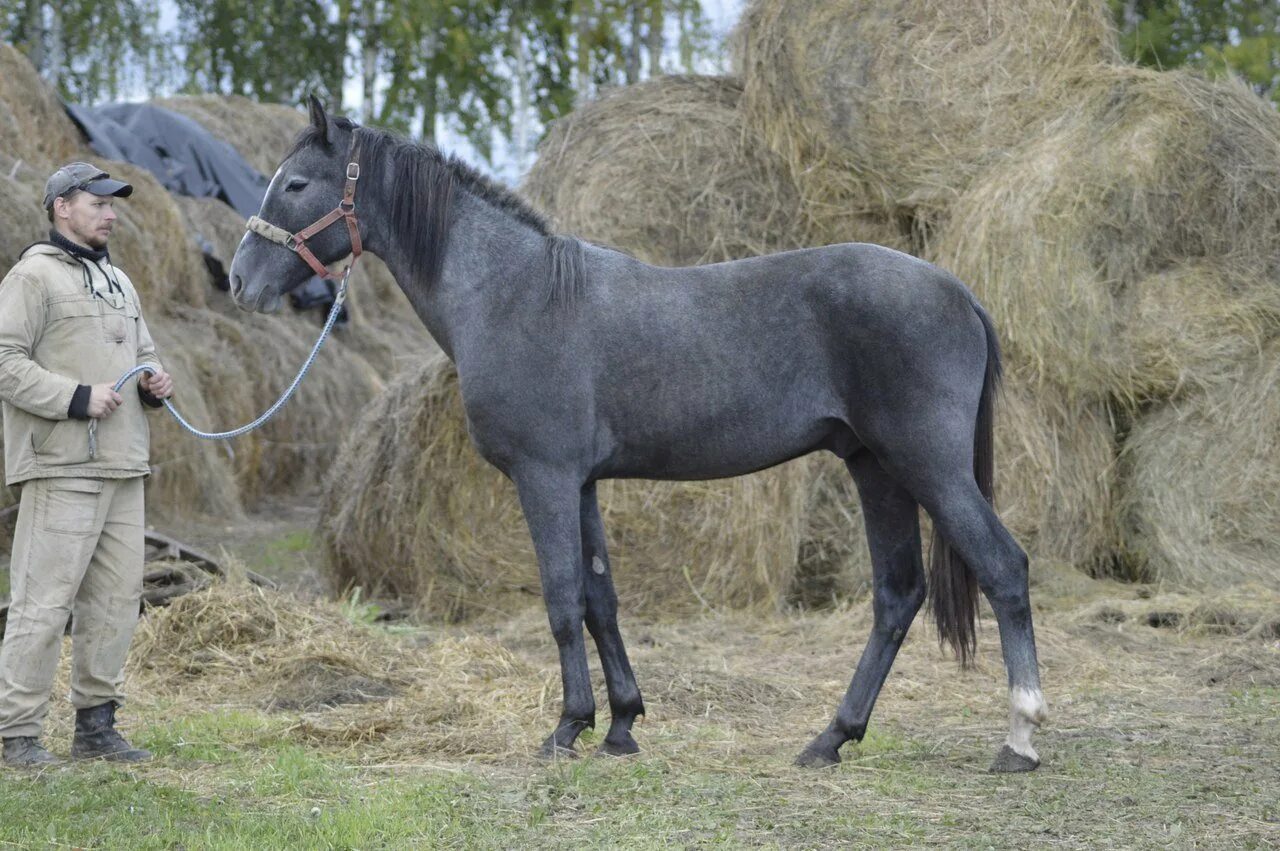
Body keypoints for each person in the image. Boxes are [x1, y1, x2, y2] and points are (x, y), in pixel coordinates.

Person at [0, 162, 175, 766]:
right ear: (61, 208)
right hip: (60, 465)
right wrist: (76, 398)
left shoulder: (120, 280)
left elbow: (144, 350)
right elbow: (4, 362)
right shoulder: (32, 277)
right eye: (97, 201)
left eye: (113, 203)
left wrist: (155, 383)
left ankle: (96, 729)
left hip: (124, 467)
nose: (111, 212)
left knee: (115, 601)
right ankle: (17, 735)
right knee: (43, 603)